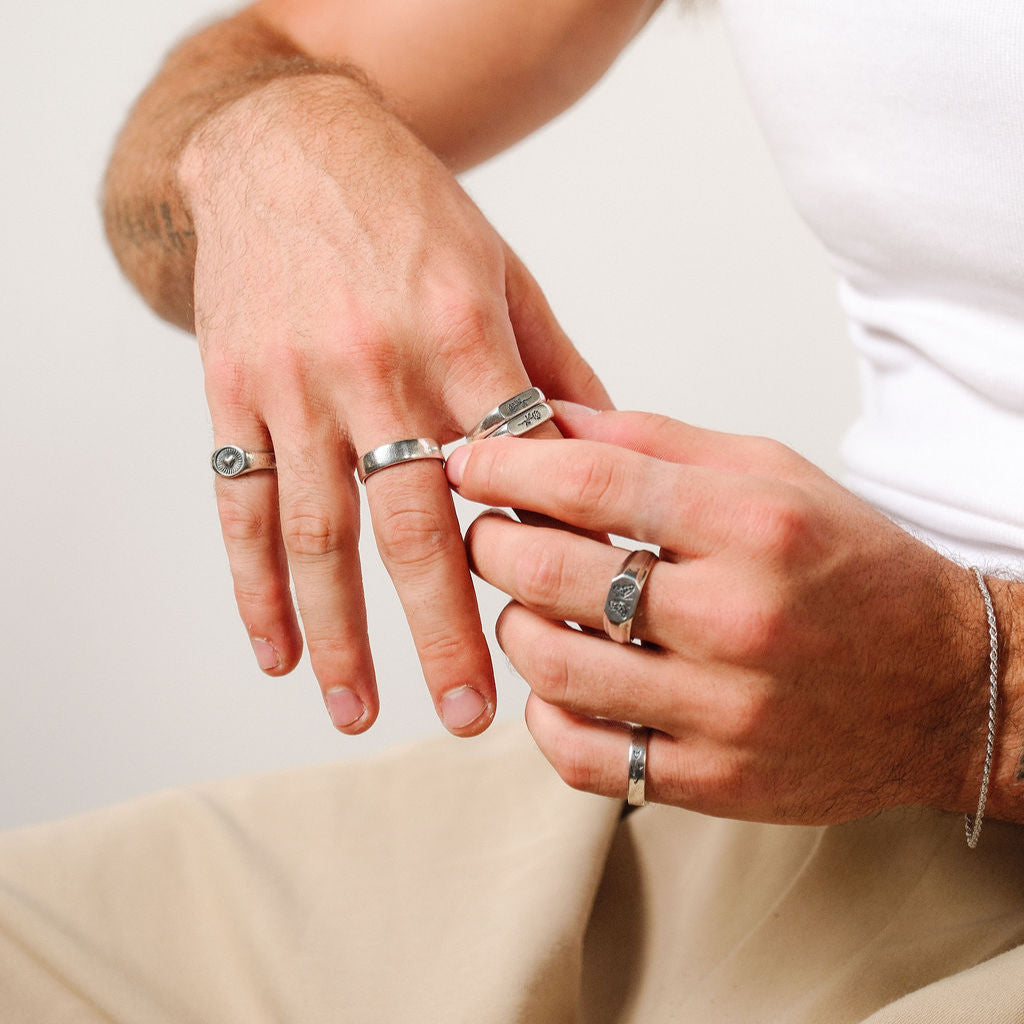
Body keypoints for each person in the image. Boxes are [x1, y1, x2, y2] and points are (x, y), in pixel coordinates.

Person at [1, 0, 1022, 1020]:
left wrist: (974, 693)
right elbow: (234, 74)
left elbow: (961, 690)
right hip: (808, 738)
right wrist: (263, 143)